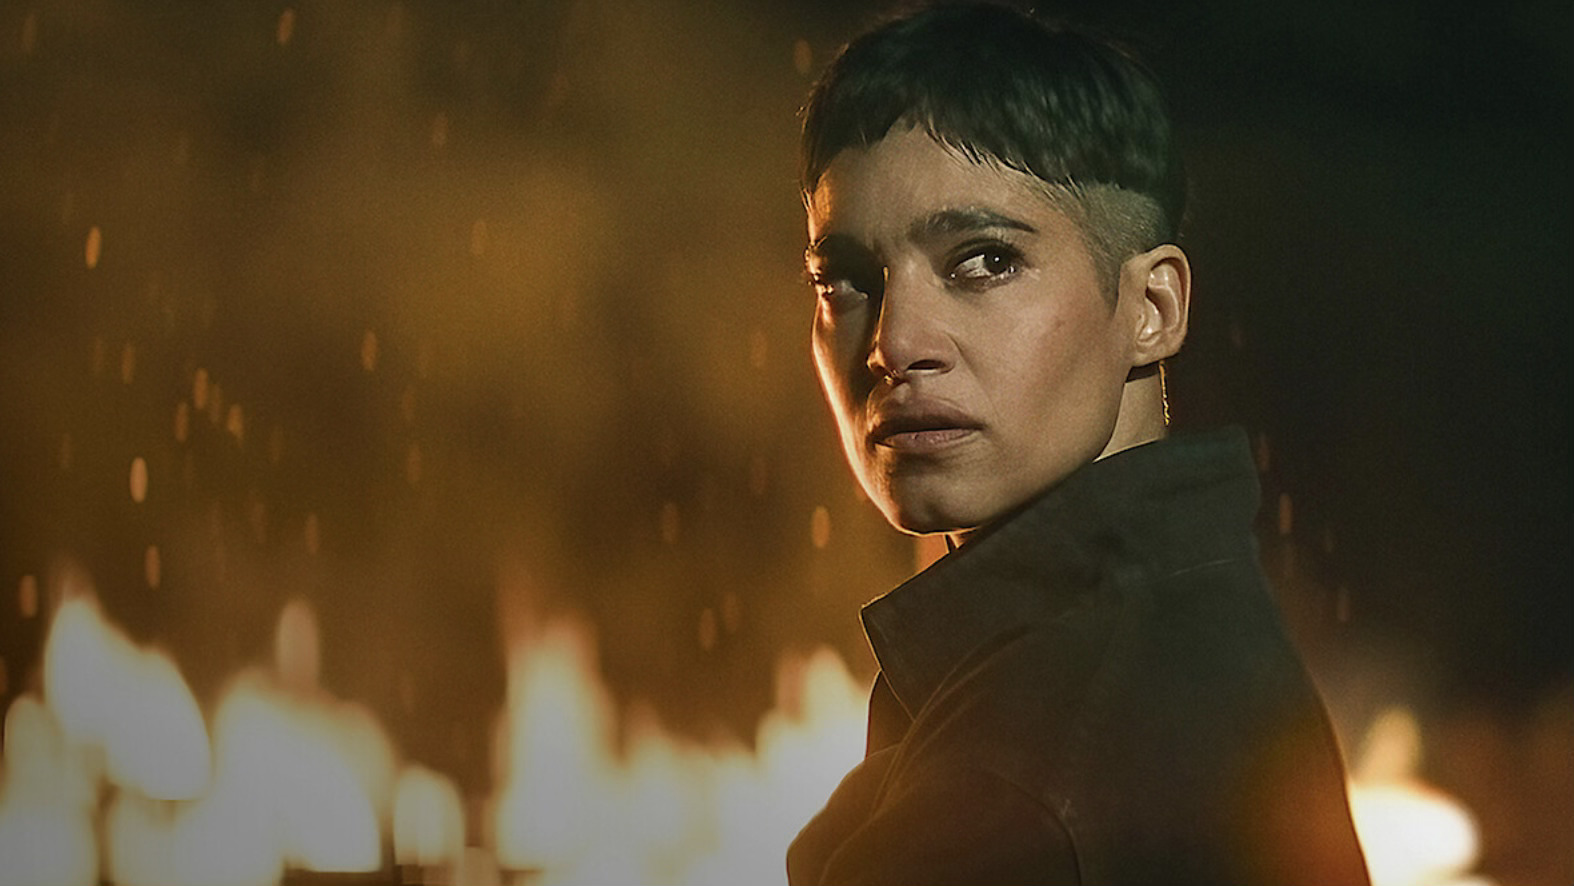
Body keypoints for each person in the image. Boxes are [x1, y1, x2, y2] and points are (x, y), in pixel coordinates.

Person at [785, 4, 1371, 885]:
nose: (895, 344)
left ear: (1152, 309)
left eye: (984, 260)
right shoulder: (1186, 621)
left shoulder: (1019, 781)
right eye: (844, 281)